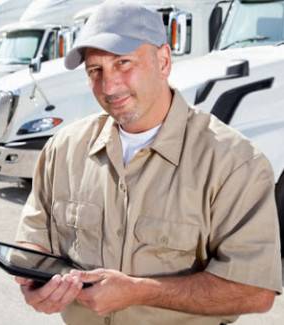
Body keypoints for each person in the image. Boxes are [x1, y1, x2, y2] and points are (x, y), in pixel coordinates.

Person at [15, 1, 282, 324]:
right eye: (95, 71)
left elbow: (254, 291)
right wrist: (35, 282)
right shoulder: (64, 149)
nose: (109, 86)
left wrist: (140, 291)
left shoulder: (234, 161)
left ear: (164, 60)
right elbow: (34, 240)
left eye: (123, 63)